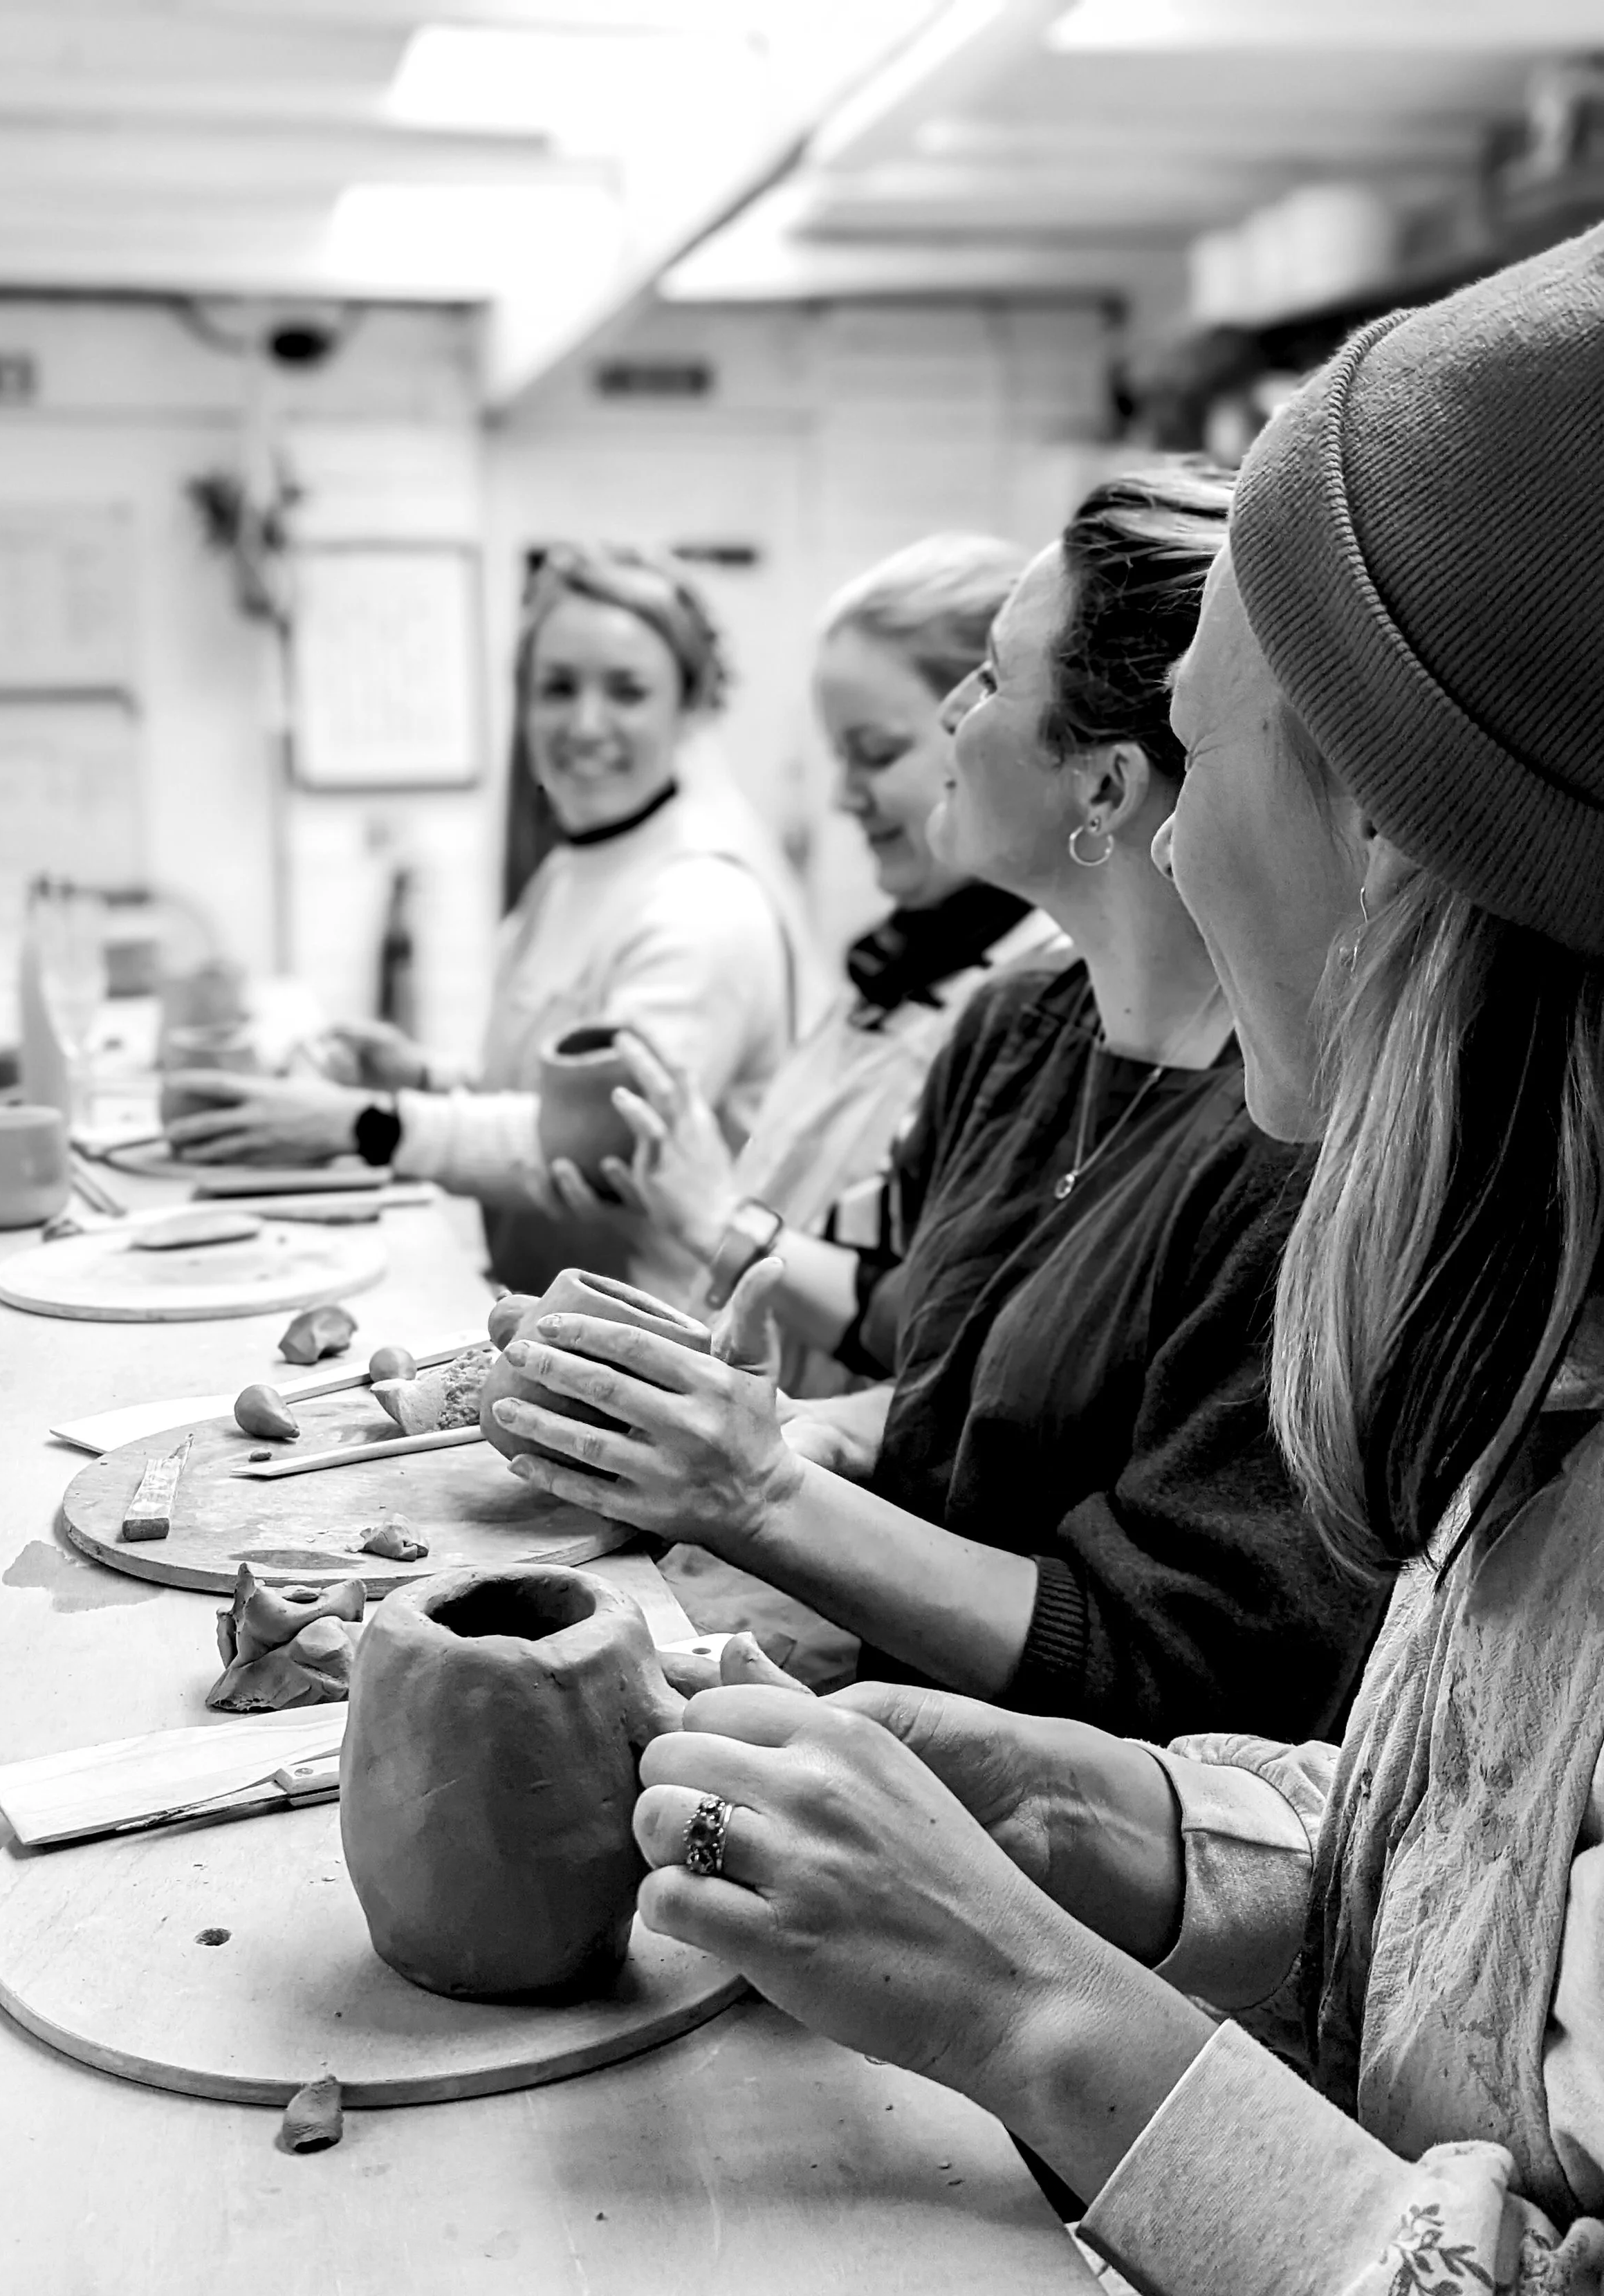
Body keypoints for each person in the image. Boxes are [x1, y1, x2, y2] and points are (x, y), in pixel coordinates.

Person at [616, 228, 1604, 2287]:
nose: (1153, 843)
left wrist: (1035, 2004)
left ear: (1395, 848)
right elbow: (1464, 1866)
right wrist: (1115, 1818)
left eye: (1201, 753)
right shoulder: (1540, 1370)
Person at [487, 465, 1387, 1745]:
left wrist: (760, 1486)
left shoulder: (1292, 1142)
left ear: (1108, 787)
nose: (953, 722)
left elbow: (1176, 1661)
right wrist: (762, 1432)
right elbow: (955, 1413)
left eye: (990, 682)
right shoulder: (1014, 1031)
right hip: (887, 1728)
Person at [163, 544, 807, 1294]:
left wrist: (364, 1121)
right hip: (545, 1314)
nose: (585, 723)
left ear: (690, 709)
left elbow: (600, 1141)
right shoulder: (571, 872)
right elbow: (543, 1097)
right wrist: (429, 1078)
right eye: (557, 688)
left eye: (627, 691)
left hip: (656, 1343)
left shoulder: (702, 904)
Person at [552, 533, 1069, 1399]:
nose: (840, 794)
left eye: (877, 753)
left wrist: (720, 1221)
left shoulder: (1041, 1000)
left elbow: (947, 1334)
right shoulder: (894, 967)